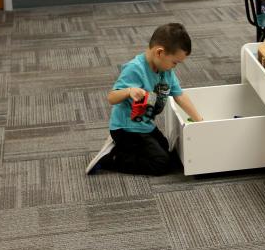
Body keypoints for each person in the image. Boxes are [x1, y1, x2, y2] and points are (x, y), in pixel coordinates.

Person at [85, 23, 203, 176]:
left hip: (145, 126)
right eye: (175, 62)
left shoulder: (165, 71)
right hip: (125, 129)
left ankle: (123, 148)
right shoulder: (135, 69)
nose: (175, 67)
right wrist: (129, 91)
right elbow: (112, 98)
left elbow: (179, 95)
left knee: (166, 149)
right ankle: (111, 157)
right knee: (161, 163)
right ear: (159, 53)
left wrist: (199, 121)